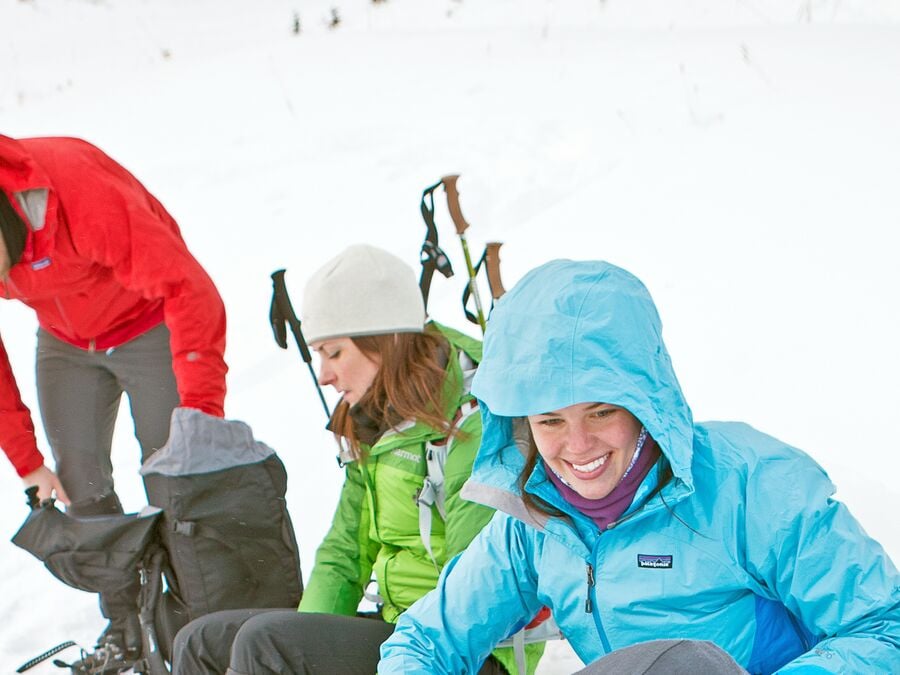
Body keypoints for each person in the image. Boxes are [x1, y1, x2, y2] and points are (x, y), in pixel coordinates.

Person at [379, 258, 900, 674]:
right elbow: (425, 639)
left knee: (679, 664)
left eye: (601, 411)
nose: (577, 445)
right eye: (550, 421)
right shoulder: (535, 519)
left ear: (645, 404)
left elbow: (882, 627)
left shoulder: (750, 484)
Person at [171, 244, 542, 674]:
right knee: (202, 641)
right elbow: (345, 552)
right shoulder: (376, 424)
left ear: (384, 341)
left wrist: (294, 647)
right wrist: (304, 634)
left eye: (334, 352)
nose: (325, 374)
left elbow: (474, 592)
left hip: (464, 650)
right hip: (399, 629)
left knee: (267, 642)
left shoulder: (473, 425)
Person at [0, 135, 228, 660]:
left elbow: (188, 287)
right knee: (82, 486)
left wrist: (201, 413)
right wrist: (28, 463)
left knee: (177, 474)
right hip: (66, 339)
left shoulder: (77, 193)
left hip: (148, 319)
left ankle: (203, 622)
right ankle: (126, 628)